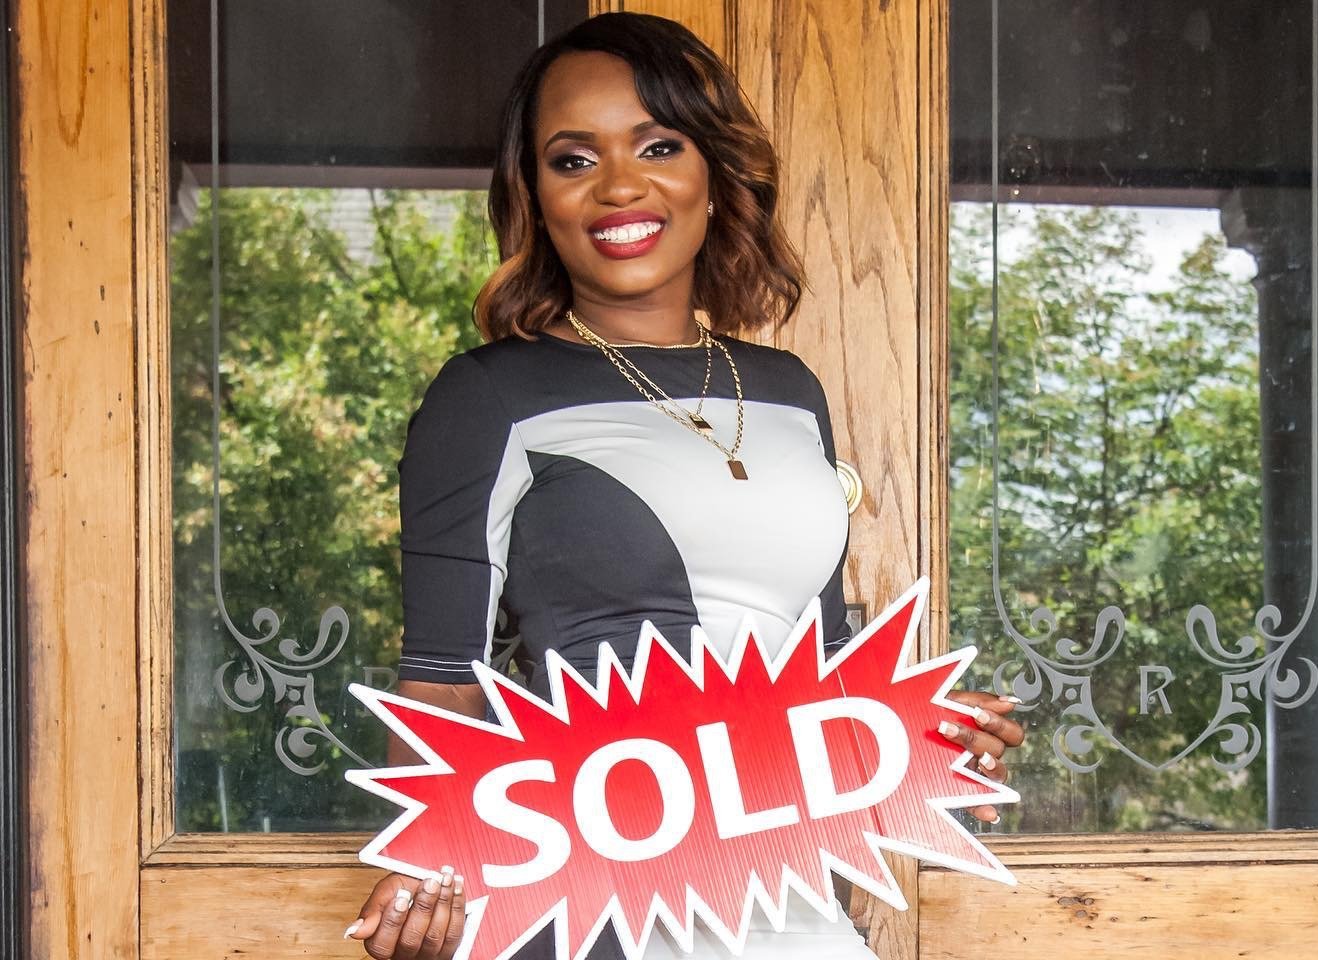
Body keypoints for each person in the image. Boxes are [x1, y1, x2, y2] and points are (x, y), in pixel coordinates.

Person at [343, 12, 1024, 960]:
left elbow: (814, 673)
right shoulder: (487, 397)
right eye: (572, 160)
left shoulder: (790, 392)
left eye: (658, 145)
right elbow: (443, 680)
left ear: (714, 172)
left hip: (781, 898)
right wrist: (429, 868)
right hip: (589, 906)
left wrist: (924, 732)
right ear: (535, 198)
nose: (620, 184)